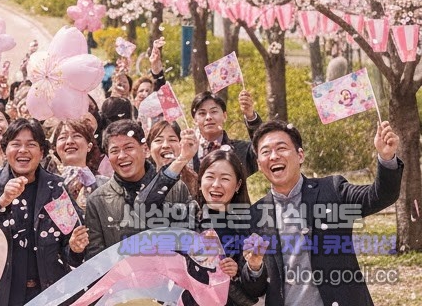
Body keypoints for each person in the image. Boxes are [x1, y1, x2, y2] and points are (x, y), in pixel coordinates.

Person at [242, 120, 402, 306]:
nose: (274, 156)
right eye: (265, 152)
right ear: (259, 164)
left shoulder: (332, 190)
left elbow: (380, 196)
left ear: (300, 155)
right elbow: (254, 289)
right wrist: (254, 266)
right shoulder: (256, 215)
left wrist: (386, 158)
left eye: (281, 148)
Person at [0, 118, 88, 305]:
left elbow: (69, 242)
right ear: (5, 150)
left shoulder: (55, 189)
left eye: (31, 144)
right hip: (1, 295)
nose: (23, 150)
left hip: (49, 294)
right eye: (16, 144)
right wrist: (1, 201)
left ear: (41, 152)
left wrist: (75, 248)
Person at [139, 145, 266, 306]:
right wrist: (181, 160)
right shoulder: (185, 216)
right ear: (200, 182)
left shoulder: (248, 226)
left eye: (225, 179)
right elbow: (144, 206)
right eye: (210, 177)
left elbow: (255, 291)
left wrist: (244, 270)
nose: (216, 184)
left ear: (238, 185)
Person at [84, 119, 190, 259]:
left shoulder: (175, 188)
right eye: (114, 151)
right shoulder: (98, 201)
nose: (122, 156)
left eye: (129, 148)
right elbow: (96, 258)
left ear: (145, 149)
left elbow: (190, 239)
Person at [191, 89, 261, 174]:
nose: (208, 117)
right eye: (202, 113)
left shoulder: (242, 150)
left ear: (224, 116)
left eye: (214, 111)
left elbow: (262, 147)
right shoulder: (188, 154)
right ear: (195, 120)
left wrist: (251, 117)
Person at [50, 120, 103, 209]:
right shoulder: (47, 185)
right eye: (63, 137)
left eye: (76, 136)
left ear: (89, 146)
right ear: (55, 148)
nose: (69, 141)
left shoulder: (104, 183)